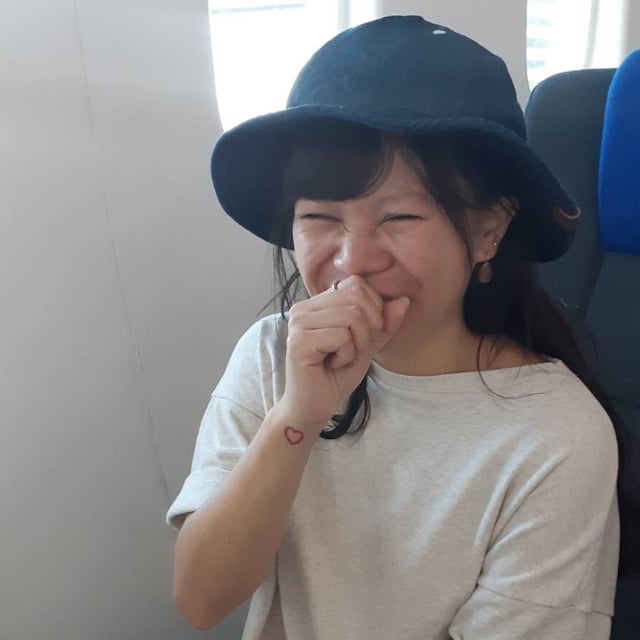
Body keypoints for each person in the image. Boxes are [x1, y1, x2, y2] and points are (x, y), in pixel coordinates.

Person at [166, 15, 623, 639]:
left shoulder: (554, 434)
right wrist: (297, 415)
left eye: (400, 217)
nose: (354, 259)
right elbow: (201, 600)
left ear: (488, 231)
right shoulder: (273, 354)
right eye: (321, 217)